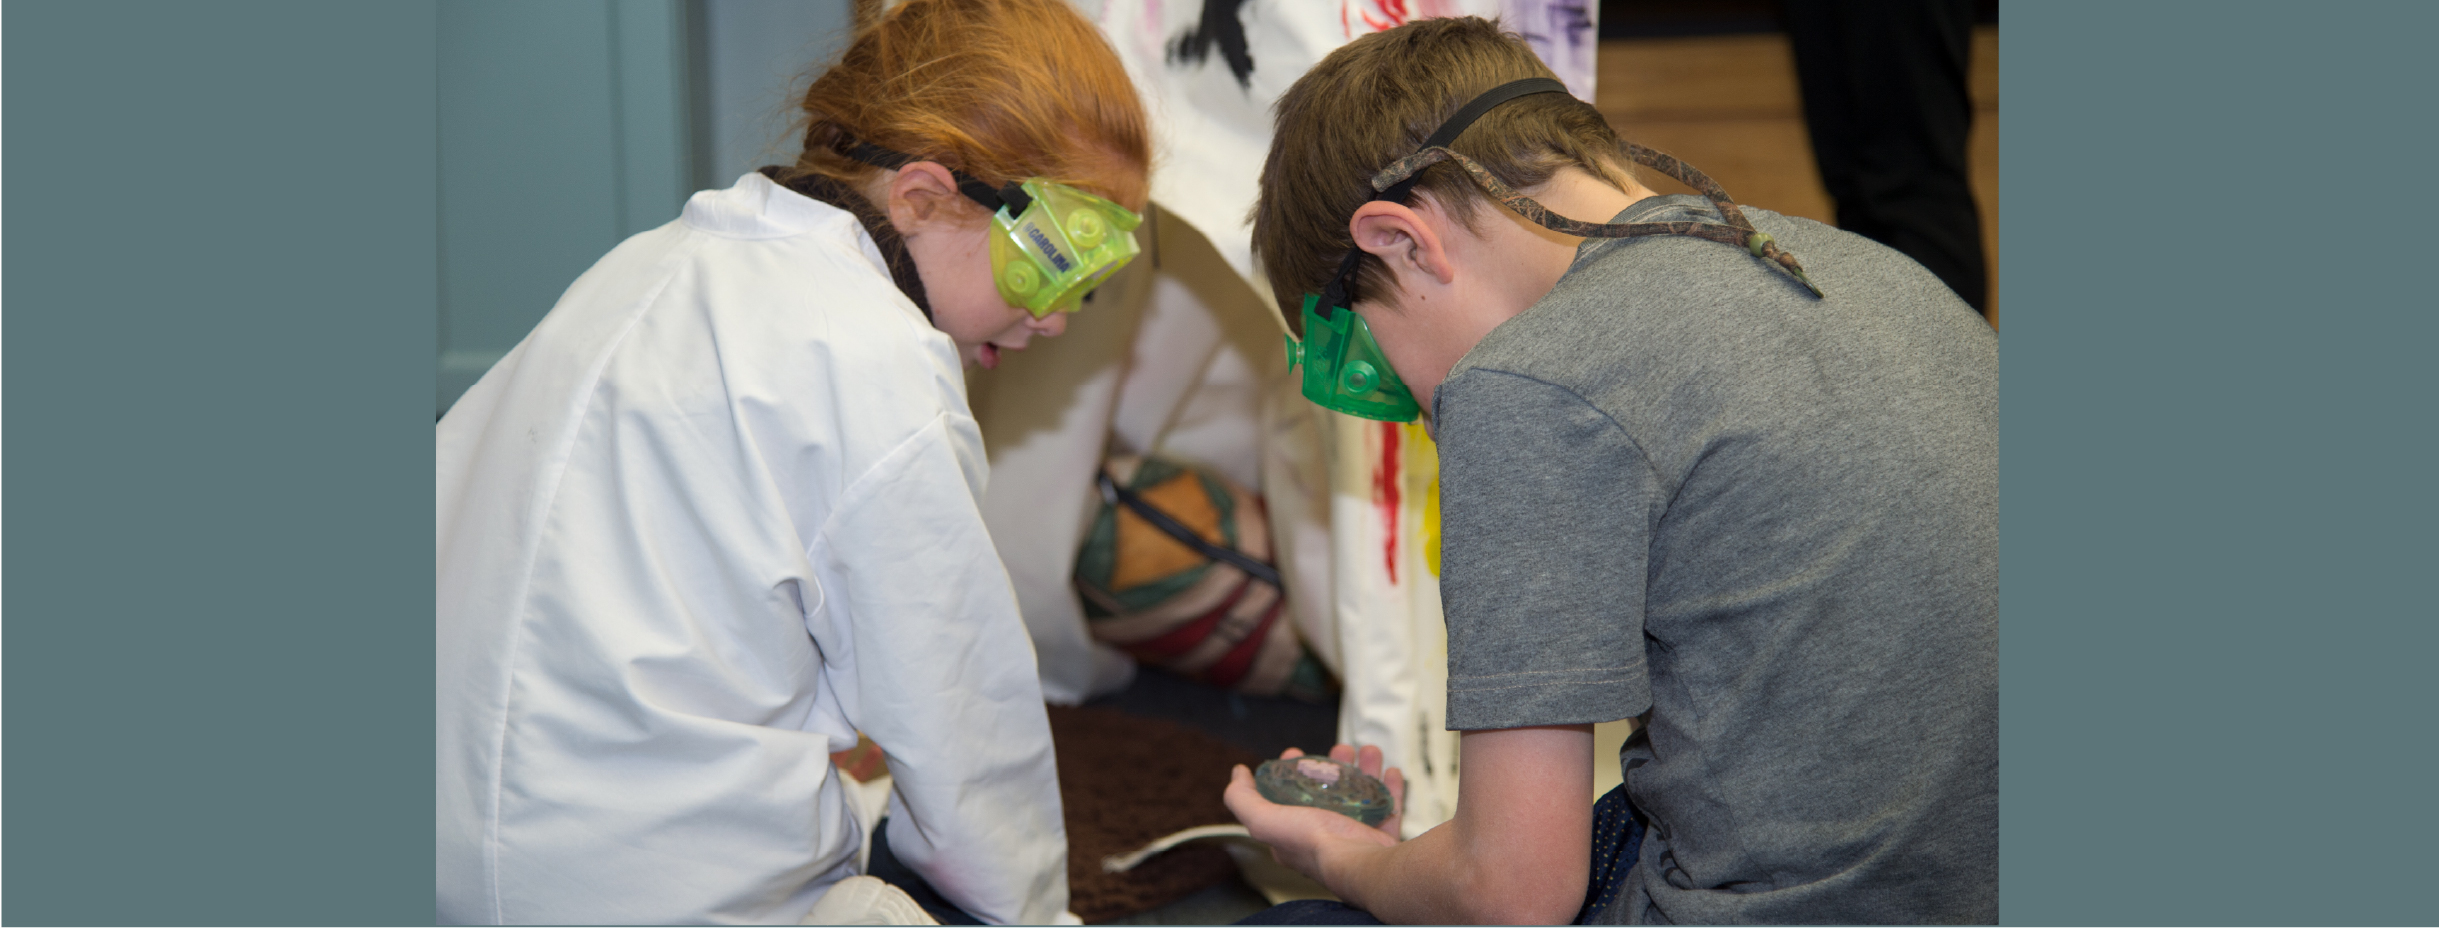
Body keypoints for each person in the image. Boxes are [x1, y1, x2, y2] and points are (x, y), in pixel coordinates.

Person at [1222, 16, 1996, 925]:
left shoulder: (1525, 381)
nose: (1419, 412)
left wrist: (1349, 860)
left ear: (1400, 239)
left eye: (1371, 366)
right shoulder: (1872, 272)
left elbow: (1512, 897)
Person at [434, 0, 1150, 922]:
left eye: (1091, 285)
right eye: (1056, 261)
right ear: (924, 198)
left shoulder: (644, 265)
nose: (1055, 318)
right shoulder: (877, 359)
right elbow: (962, 717)